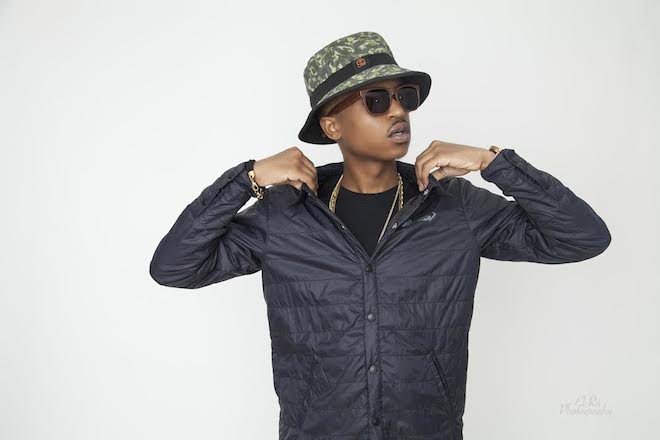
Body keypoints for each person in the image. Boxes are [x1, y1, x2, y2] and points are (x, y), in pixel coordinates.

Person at [149, 31, 611, 439]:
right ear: (332, 126)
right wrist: (244, 180)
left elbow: (582, 237)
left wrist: (492, 163)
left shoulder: (455, 206)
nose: (398, 111)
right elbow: (175, 267)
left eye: (404, 97)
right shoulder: (285, 215)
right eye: (376, 100)